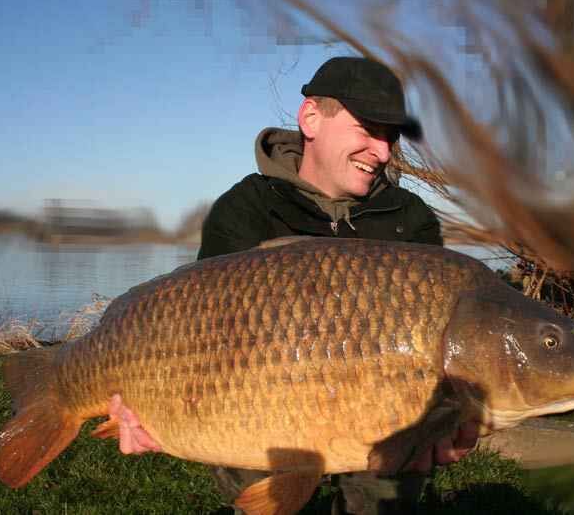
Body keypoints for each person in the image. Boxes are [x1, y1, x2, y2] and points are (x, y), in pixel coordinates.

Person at [108, 57, 478, 514]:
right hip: (259, 394)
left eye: (391, 137)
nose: (383, 153)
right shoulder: (246, 208)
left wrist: (447, 422)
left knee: (387, 491)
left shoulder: (410, 218)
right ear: (311, 118)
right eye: (368, 130)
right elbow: (201, 331)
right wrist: (151, 408)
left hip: (379, 401)